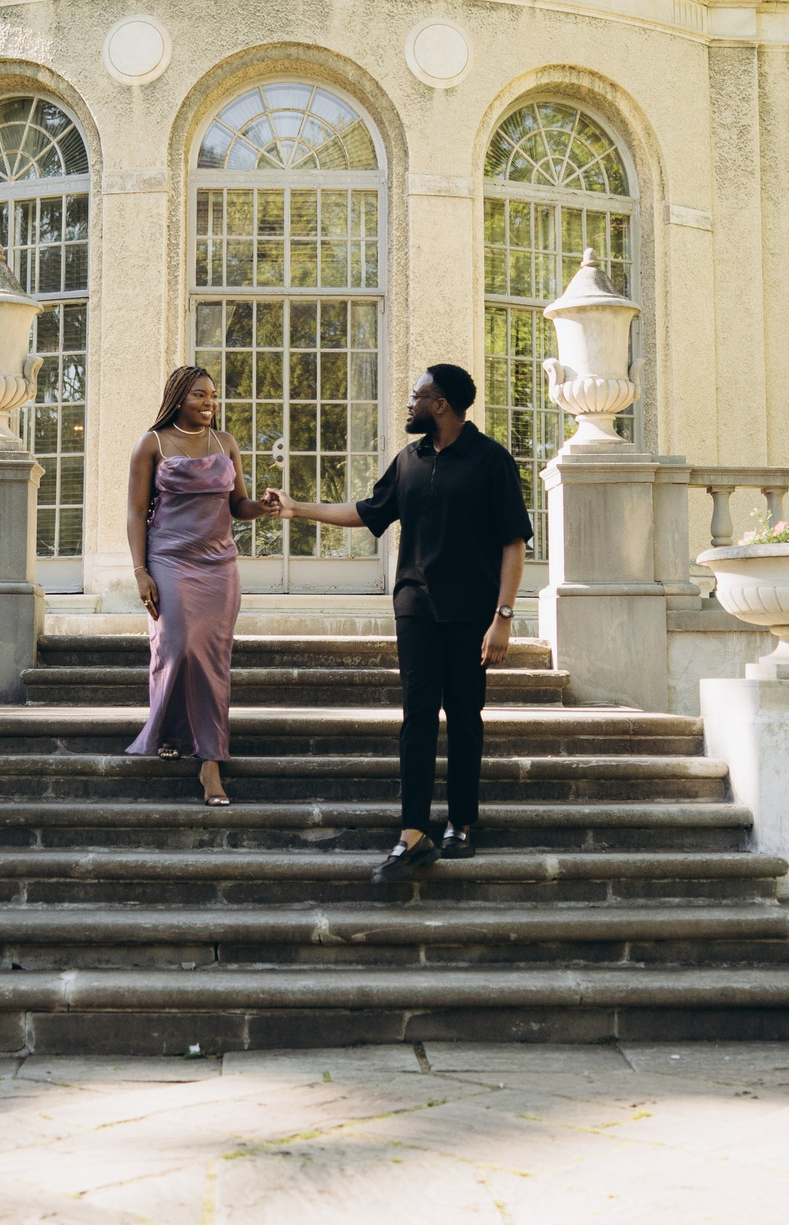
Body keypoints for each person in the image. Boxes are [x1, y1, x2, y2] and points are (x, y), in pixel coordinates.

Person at [265, 363, 530, 882]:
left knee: (465, 714)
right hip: (415, 605)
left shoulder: (491, 460)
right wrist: (299, 509)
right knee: (416, 716)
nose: (409, 403)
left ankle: (461, 822)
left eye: (418, 396)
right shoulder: (409, 459)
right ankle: (412, 831)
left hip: (472, 611)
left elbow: (513, 542)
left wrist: (502, 616)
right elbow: (368, 512)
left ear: (442, 404)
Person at [125, 366, 273, 806]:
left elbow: (238, 505)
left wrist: (261, 507)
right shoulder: (150, 444)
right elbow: (135, 513)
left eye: (213, 396)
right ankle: (169, 729)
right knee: (175, 645)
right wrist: (140, 570)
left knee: (212, 659)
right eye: (199, 396)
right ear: (177, 397)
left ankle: (211, 761)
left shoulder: (225, 443)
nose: (209, 403)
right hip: (169, 559)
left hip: (218, 565)